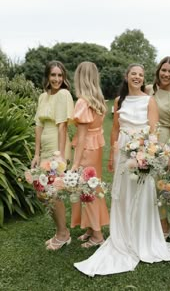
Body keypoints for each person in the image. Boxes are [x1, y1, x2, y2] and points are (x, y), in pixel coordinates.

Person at [73, 63, 170, 276]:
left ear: (143, 78)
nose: (137, 77)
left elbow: (154, 131)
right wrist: (113, 155)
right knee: (122, 196)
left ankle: (142, 237)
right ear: (127, 76)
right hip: (123, 150)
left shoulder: (149, 100)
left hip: (141, 151)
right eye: (133, 74)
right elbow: (114, 130)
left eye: (140, 74)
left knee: (142, 195)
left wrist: (148, 156)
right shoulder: (119, 101)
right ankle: (123, 235)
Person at [31, 60, 74, 250]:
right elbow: (38, 126)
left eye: (59, 75)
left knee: (52, 191)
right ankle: (61, 231)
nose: (56, 79)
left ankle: (63, 234)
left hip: (58, 145)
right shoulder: (43, 97)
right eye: (53, 75)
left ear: (63, 78)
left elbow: (62, 126)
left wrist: (61, 156)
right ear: (47, 76)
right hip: (45, 147)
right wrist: (36, 154)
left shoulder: (64, 94)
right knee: (42, 192)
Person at [70, 61, 109, 248]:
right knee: (93, 187)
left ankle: (98, 236)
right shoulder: (98, 100)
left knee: (88, 191)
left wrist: (75, 165)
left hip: (87, 150)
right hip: (97, 148)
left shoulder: (83, 102)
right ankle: (90, 228)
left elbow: (83, 137)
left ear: (79, 77)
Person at [146, 56, 170, 239]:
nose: (166, 74)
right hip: (145, 139)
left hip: (164, 142)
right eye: (164, 70)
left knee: (159, 186)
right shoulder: (149, 89)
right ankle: (146, 224)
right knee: (144, 184)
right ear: (158, 70)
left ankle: (164, 226)